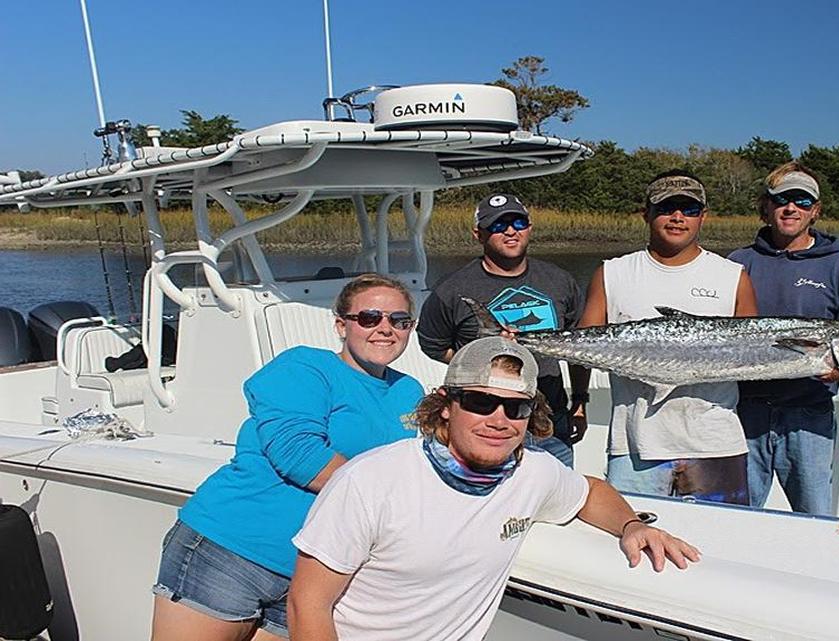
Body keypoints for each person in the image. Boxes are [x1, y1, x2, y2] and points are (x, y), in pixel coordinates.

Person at [288, 336, 699, 641]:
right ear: (446, 404)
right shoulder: (370, 481)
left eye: (516, 407)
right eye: (481, 403)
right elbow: (307, 603)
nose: (499, 420)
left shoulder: (533, 473)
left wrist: (632, 526)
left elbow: (589, 491)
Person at [151, 274, 424, 641]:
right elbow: (300, 456)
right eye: (370, 318)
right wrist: (389, 506)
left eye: (399, 320)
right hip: (231, 552)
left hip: (313, 577)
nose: (386, 329)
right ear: (342, 325)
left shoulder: (409, 391)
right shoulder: (305, 367)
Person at [577, 170, 758, 504]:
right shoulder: (612, 273)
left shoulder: (733, 277)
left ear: (703, 216)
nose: (677, 217)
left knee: (719, 543)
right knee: (632, 542)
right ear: (646, 213)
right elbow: (582, 346)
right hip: (635, 446)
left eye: (688, 209)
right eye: (667, 207)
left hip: (715, 444)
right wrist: (579, 401)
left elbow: (754, 355)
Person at [728, 161, 839, 515]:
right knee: (735, 517)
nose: (790, 207)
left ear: (815, 211)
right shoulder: (738, 262)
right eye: (781, 199)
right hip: (744, 415)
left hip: (809, 414)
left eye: (801, 200)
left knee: (815, 517)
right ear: (765, 207)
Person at [417, 193, 589, 466]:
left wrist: (580, 400)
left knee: (554, 500)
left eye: (518, 222)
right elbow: (434, 345)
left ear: (529, 227)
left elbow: (579, 351)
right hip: (485, 421)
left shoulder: (559, 280)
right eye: (498, 225)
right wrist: (484, 357)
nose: (510, 231)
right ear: (479, 234)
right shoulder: (451, 289)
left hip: (549, 419)